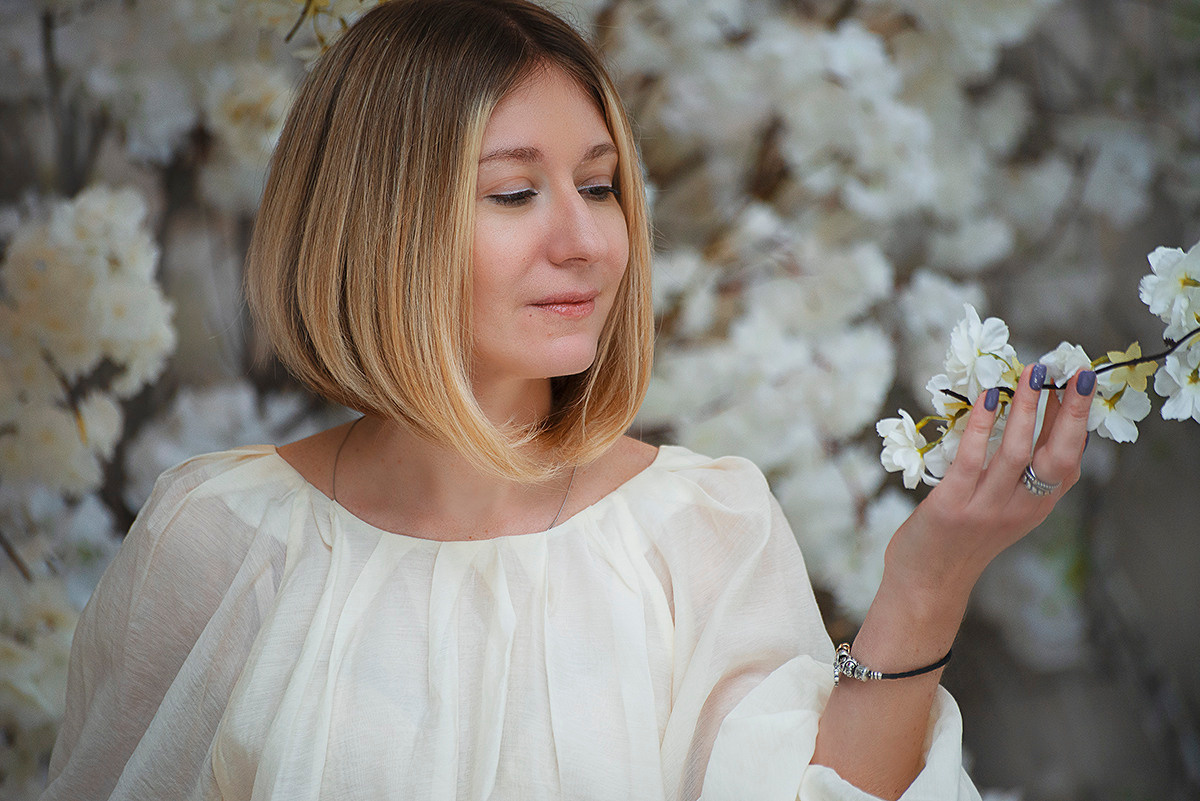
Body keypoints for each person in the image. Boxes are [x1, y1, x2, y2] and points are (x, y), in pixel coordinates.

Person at [40, 1, 1095, 799]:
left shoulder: (698, 527)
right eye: (513, 192)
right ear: (377, 227)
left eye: (599, 186)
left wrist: (927, 583)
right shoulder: (218, 538)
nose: (585, 241)